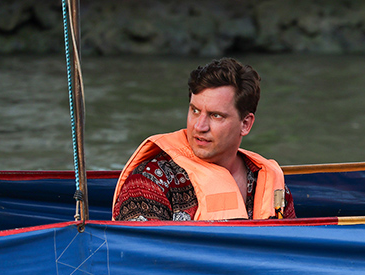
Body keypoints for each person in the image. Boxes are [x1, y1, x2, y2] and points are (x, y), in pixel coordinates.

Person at [112, 57, 295, 221]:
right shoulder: (148, 182)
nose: (199, 127)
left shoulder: (272, 185)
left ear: (245, 124)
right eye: (195, 111)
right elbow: (141, 254)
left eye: (216, 116)